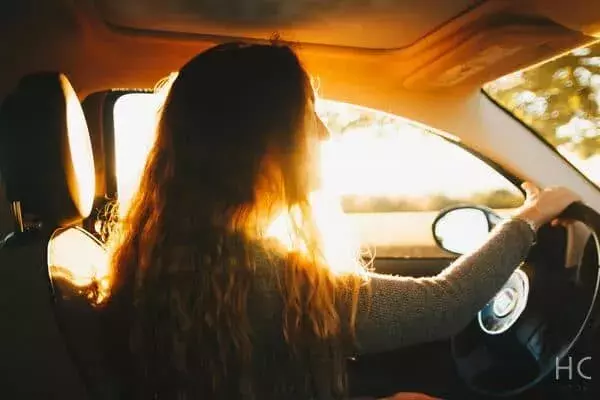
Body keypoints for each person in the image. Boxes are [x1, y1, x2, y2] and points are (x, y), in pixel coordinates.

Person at [102, 42, 580, 400]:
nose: (325, 134)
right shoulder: (269, 281)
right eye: (307, 118)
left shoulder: (166, 262)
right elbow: (446, 304)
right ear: (260, 146)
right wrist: (532, 214)